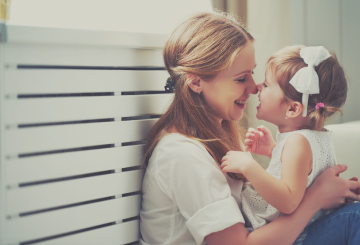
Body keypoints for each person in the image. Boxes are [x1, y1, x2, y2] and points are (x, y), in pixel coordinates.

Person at [139, 12, 360, 245]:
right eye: (240, 78)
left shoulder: (216, 138)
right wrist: (317, 198)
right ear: (195, 82)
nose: (255, 88)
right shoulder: (183, 155)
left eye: (252, 74)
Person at [220, 45, 348, 232]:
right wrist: (273, 150)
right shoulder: (316, 137)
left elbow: (288, 202)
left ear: (293, 109)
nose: (257, 87)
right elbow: (304, 175)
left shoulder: (297, 142)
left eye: (266, 84)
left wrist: (249, 167)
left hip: (280, 232)